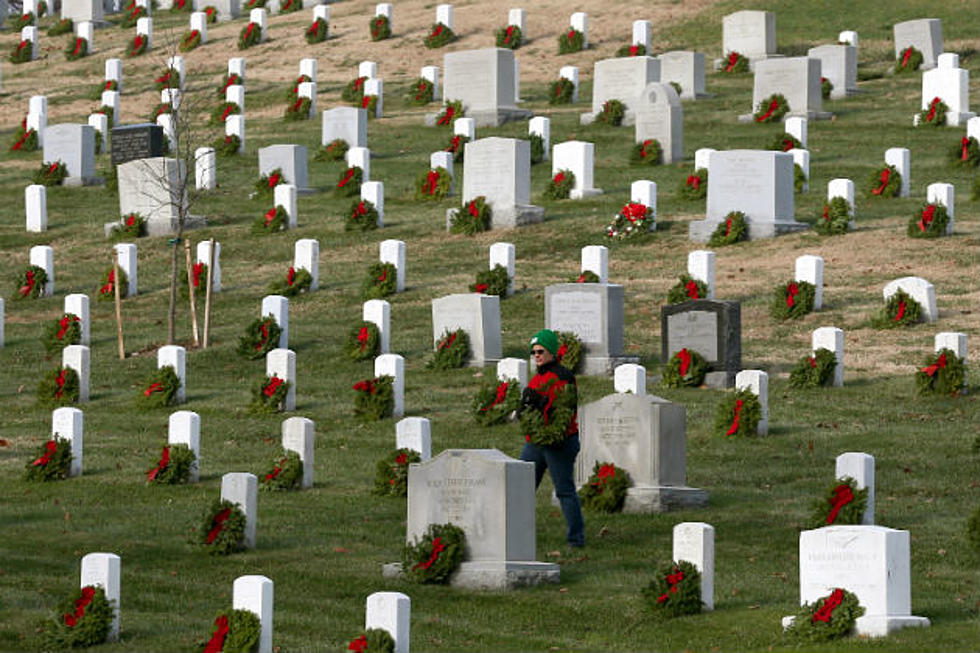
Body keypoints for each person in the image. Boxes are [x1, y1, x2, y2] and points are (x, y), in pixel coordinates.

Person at [518, 329, 585, 548]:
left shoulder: (563, 376)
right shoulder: (538, 378)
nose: (536, 355)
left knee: (564, 490)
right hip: (536, 443)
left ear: (552, 352)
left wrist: (540, 401)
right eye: (533, 352)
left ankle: (576, 539)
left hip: (560, 442)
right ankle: (516, 534)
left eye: (540, 351)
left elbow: (564, 410)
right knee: (521, 486)